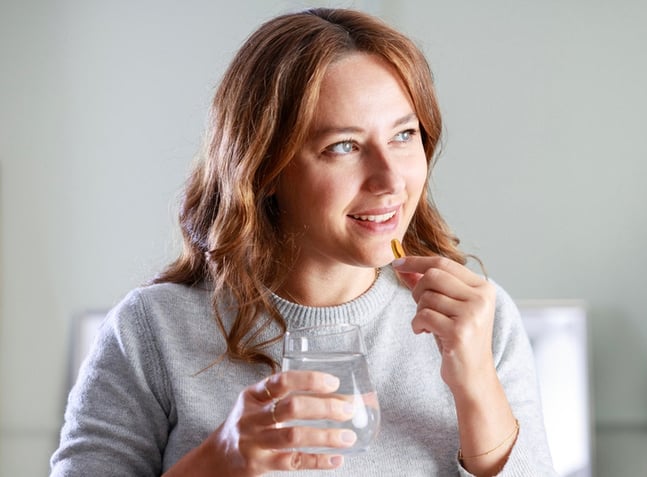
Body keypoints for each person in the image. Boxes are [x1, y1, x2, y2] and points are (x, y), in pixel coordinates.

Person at [51, 7, 556, 476]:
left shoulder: (480, 320)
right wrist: (220, 459)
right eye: (343, 146)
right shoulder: (153, 332)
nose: (390, 180)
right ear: (265, 169)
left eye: (404, 136)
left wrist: (477, 386)